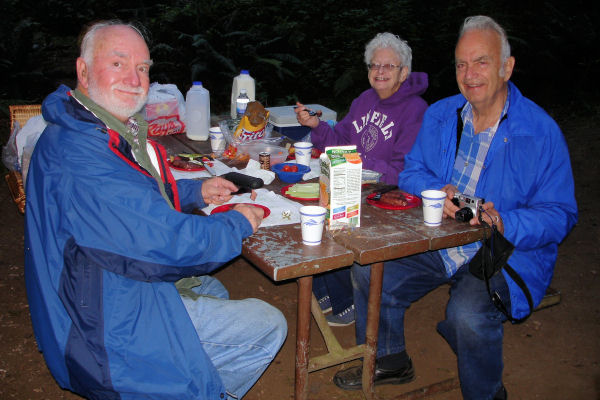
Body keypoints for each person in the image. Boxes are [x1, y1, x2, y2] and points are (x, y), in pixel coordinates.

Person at [24, 20, 287, 400]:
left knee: (214, 290)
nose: (135, 78)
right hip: (100, 323)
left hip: (98, 282)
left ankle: (193, 372)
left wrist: (195, 190)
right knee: (267, 324)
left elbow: (129, 199)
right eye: (118, 63)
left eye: (143, 68)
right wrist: (237, 221)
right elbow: (166, 244)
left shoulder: (93, 127)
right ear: (82, 70)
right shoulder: (78, 154)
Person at [333, 16, 578, 400]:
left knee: (466, 315)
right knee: (369, 271)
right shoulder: (442, 115)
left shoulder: (539, 131)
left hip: (501, 251)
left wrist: (504, 221)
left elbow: (560, 213)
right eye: (461, 64)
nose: (469, 74)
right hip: (437, 238)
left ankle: (487, 392)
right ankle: (390, 359)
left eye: (481, 61)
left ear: (506, 67)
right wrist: (435, 191)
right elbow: (412, 170)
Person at [295, 32, 428, 326]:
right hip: (354, 184)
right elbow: (338, 139)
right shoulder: (363, 100)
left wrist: (355, 161)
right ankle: (324, 287)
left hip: (388, 196)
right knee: (309, 209)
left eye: (388, 66)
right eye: (373, 65)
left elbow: (403, 170)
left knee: (337, 221)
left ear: (404, 72)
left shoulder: (416, 110)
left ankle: (348, 300)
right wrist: (316, 125)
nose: (379, 72)